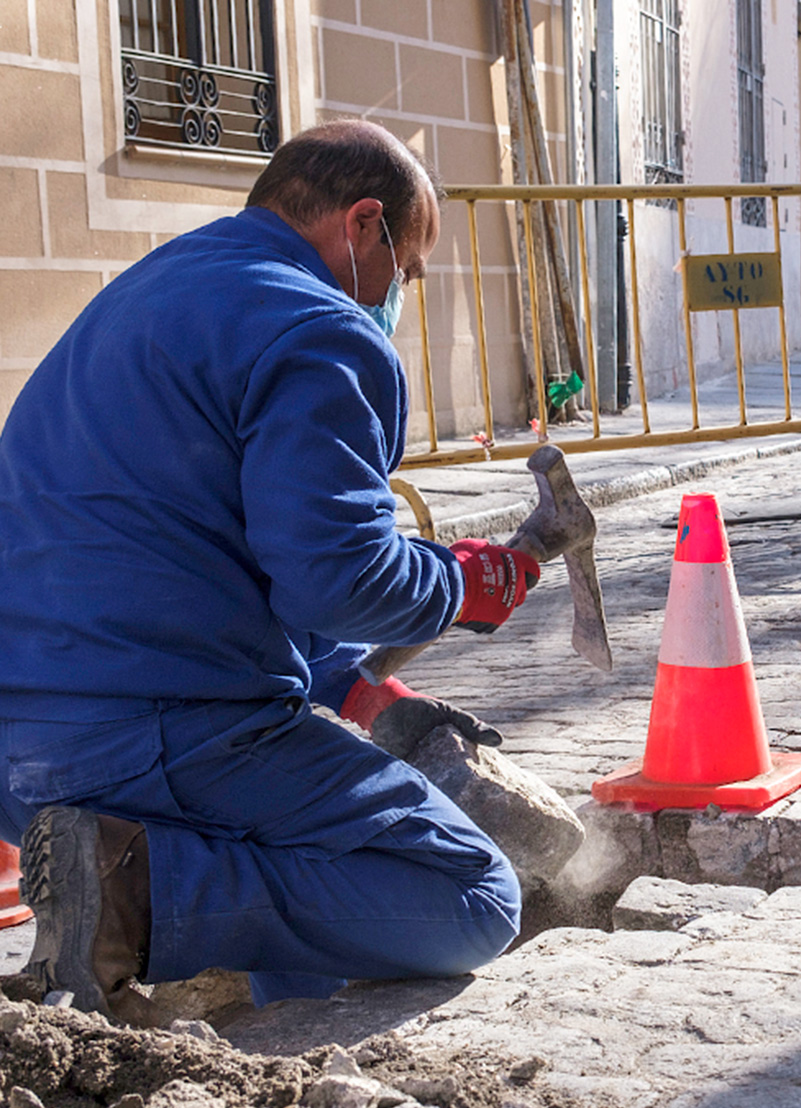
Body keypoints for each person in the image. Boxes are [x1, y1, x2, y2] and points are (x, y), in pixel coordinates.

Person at [0, 121, 541, 1021]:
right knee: (473, 894)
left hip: (20, 746)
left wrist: (345, 683)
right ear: (362, 224)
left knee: (301, 871)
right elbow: (340, 576)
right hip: (147, 735)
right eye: (406, 269)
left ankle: (283, 1021)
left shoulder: (154, 289)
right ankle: (135, 897)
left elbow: (203, 537)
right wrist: (459, 582)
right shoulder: (320, 330)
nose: (401, 295)